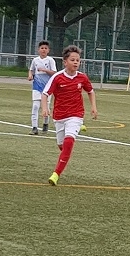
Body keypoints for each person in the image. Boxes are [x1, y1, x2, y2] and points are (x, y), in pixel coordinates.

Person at [43, 45, 98, 186]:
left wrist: (93, 107)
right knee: (62, 146)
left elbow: (90, 91)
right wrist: (45, 108)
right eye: (72, 60)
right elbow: (45, 94)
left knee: (68, 142)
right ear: (65, 62)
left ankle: (56, 174)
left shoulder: (82, 77)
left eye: (78, 60)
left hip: (76, 114)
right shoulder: (57, 77)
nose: (75, 62)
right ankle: (76, 130)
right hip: (59, 116)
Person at [26, 41, 57, 135]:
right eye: (42, 48)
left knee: (46, 107)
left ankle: (45, 124)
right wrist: (30, 75)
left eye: (45, 48)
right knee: (35, 106)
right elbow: (31, 70)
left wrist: (45, 70)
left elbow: (54, 73)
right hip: (37, 86)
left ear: (48, 50)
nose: (43, 50)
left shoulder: (50, 60)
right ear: (38, 50)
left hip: (47, 87)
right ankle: (34, 128)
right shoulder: (35, 60)